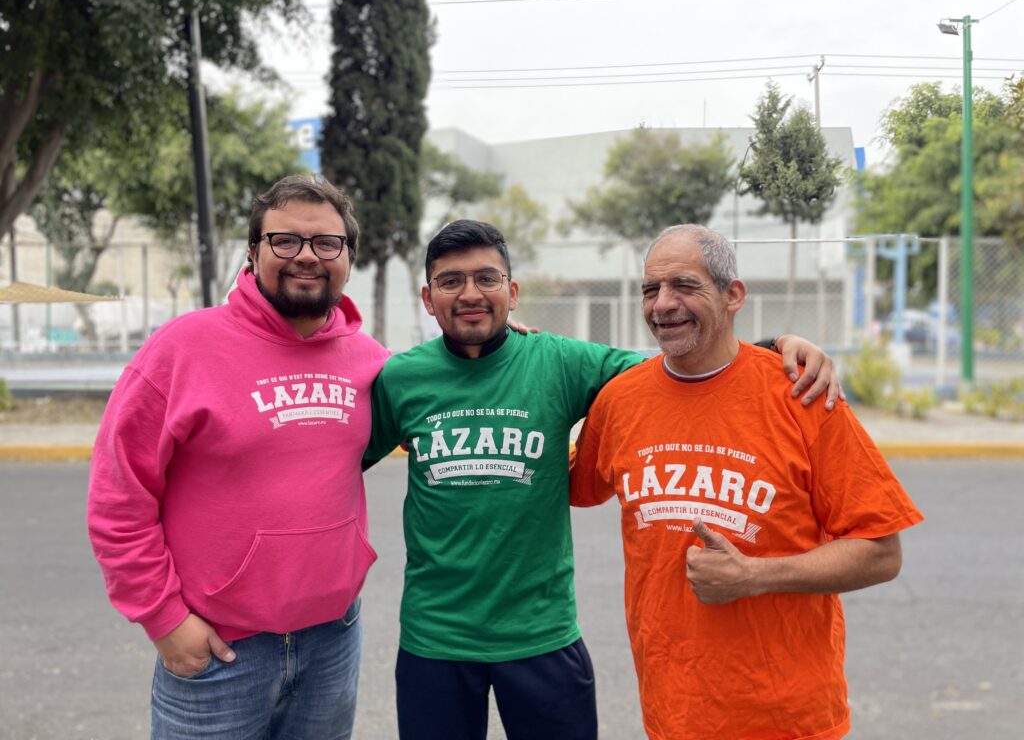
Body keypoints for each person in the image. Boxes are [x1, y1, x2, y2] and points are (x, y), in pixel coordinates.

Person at [363, 219, 842, 740]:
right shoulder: (400, 379)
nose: (470, 294)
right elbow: (334, 461)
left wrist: (775, 345)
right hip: (435, 639)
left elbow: (679, 363)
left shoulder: (561, 362)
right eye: (451, 281)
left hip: (542, 636)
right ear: (428, 298)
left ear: (513, 292)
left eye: (487, 278)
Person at [569, 224, 924, 740]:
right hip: (673, 713)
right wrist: (510, 349)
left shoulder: (800, 392)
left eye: (684, 286)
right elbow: (570, 485)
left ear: (732, 294)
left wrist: (753, 576)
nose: (662, 304)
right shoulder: (621, 401)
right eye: (651, 289)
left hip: (788, 718)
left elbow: (881, 551)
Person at [87, 174, 389, 740]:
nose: (306, 256)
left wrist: (501, 345)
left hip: (333, 641)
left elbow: (445, 390)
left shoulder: (370, 362)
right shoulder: (181, 349)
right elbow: (118, 496)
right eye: (285, 241)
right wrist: (164, 618)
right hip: (220, 653)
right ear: (253, 253)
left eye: (326, 243)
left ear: (348, 257)